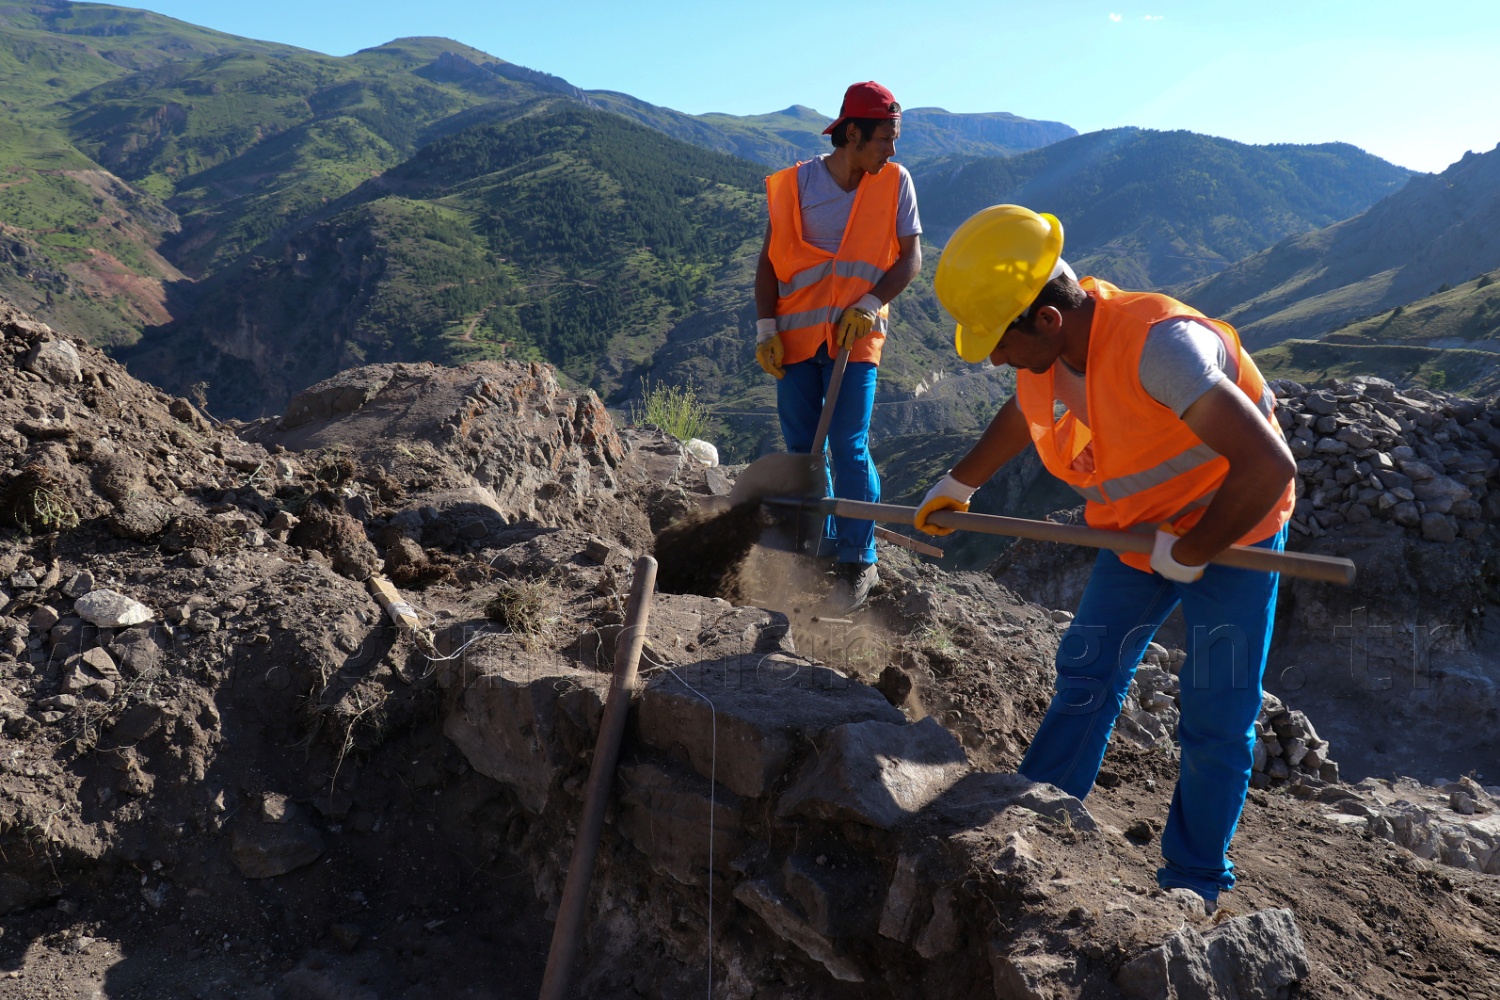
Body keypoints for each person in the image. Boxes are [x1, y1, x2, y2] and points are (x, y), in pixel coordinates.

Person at [914, 205, 1296, 909]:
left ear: (1047, 320)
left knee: (1217, 711)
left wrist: (1198, 549)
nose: (994, 358)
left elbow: (1268, 467)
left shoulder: (1163, 350)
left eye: (999, 341)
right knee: (1088, 670)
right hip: (1137, 532)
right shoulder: (1054, 351)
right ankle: (1041, 809)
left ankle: (1194, 880)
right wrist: (960, 481)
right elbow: (1026, 410)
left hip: (1234, 531)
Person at [754, 81, 922, 609]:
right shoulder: (797, 185)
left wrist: (869, 304)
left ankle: (858, 559)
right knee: (804, 450)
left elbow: (909, 259)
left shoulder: (896, 182)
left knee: (849, 446)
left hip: (857, 337)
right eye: (885, 139)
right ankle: (812, 549)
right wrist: (765, 329)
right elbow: (769, 262)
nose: (892, 150)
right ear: (853, 133)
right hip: (796, 341)